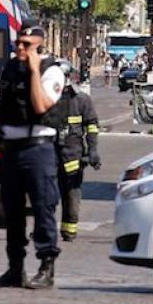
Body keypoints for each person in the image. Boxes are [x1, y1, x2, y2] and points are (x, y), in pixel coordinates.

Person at [0, 22, 66, 290]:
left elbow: (41, 104)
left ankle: (46, 267)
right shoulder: (10, 68)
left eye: (26, 45)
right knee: (12, 212)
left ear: (40, 45)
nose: (19, 48)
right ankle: (15, 268)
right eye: (17, 43)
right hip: (11, 147)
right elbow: (0, 103)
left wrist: (33, 70)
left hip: (38, 149)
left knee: (43, 208)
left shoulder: (51, 71)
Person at [55, 64, 101, 242]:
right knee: (50, 195)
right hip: (53, 154)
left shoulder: (82, 100)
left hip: (72, 155)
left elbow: (91, 126)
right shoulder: (48, 97)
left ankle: (69, 230)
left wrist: (93, 151)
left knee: (71, 193)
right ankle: (49, 229)